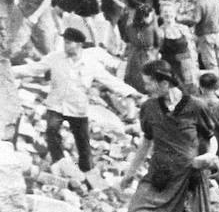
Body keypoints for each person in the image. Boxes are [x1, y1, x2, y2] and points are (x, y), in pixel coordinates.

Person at [121, 60, 219, 212]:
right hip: (159, 177)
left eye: (149, 83)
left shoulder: (196, 106)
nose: (146, 88)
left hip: (188, 177)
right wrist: (130, 173)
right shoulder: (149, 108)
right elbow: (146, 143)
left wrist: (207, 156)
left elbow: (211, 140)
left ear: (165, 82)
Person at [15, 26, 138, 175]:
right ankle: (59, 164)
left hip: (77, 109)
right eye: (65, 42)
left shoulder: (90, 63)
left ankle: (87, 171)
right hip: (56, 105)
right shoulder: (55, 58)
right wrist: (9, 70)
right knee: (51, 132)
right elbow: (34, 69)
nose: (65, 46)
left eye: (69, 43)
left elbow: (109, 80)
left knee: (83, 142)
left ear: (79, 44)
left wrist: (131, 93)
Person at [183, 0, 219, 72]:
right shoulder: (216, 1)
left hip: (206, 36)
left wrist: (182, 21)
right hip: (217, 35)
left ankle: (215, 84)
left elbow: (196, 20)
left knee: (211, 64)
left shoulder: (201, 3)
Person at [123, 3, 161, 94]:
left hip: (134, 54)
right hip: (148, 56)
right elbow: (158, 43)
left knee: (134, 77)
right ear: (144, 16)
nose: (152, 18)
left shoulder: (129, 27)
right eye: (150, 16)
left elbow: (126, 40)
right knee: (147, 77)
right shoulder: (152, 28)